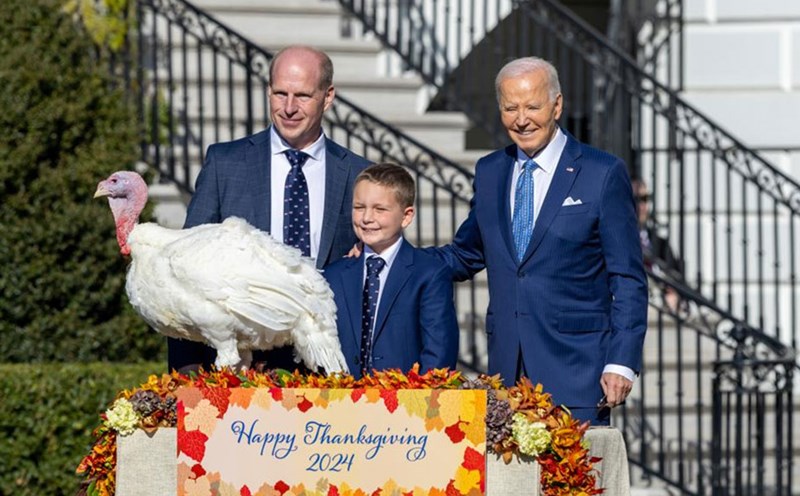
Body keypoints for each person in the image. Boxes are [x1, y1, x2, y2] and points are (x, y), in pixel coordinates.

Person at [430, 57, 648, 424]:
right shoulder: (490, 171)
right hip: (507, 374)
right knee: (511, 484)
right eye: (510, 107)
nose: (521, 119)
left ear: (557, 105)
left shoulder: (602, 173)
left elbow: (627, 278)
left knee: (574, 482)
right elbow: (466, 253)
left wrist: (622, 361)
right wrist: (393, 255)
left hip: (578, 371)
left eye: (533, 106)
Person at [169, 45, 370, 373]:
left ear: (328, 96)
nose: (289, 107)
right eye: (280, 94)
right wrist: (187, 377)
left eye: (303, 95)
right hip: (241, 370)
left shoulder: (358, 175)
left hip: (330, 368)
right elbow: (185, 271)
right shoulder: (225, 164)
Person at [324, 163, 459, 379]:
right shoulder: (334, 274)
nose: (367, 217)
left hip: (408, 404)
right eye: (359, 207)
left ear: (406, 216)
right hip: (342, 403)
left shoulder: (429, 273)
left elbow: (439, 352)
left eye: (380, 209)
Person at [632, 179, 684, 312]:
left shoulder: (661, 243)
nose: (640, 206)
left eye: (644, 199)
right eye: (635, 199)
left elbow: (677, 279)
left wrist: (673, 294)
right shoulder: (613, 241)